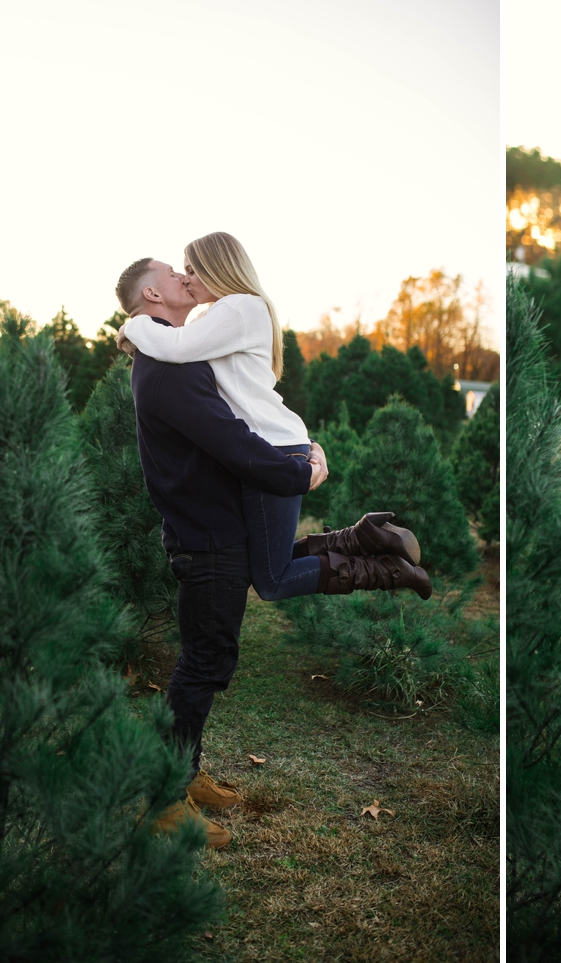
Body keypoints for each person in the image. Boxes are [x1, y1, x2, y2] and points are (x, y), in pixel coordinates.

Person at [115, 255, 423, 849]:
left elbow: (247, 413)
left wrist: (301, 447)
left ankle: (184, 775)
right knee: (202, 665)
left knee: (213, 648)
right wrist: (297, 475)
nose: (186, 280)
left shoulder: (173, 353)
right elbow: (231, 440)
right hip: (206, 535)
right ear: (152, 293)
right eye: (174, 275)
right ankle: (163, 802)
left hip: (215, 525)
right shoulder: (167, 367)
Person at [121, 233, 429, 603]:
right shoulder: (223, 313)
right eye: (180, 272)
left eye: (190, 270)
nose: (186, 278)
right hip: (271, 442)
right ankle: (359, 538)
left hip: (273, 445)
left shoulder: (240, 308)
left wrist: (132, 326)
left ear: (216, 267)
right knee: (266, 565)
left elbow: (177, 347)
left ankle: (389, 571)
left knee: (272, 581)